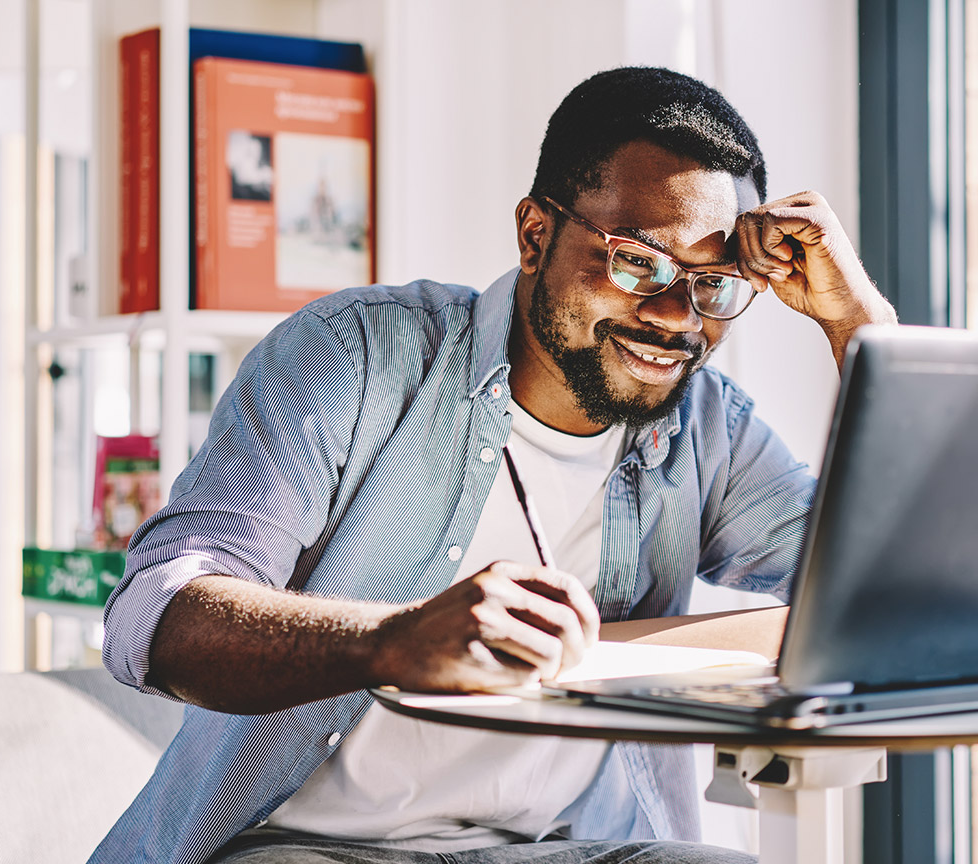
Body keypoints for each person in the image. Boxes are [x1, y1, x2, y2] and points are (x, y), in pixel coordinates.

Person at [91, 66, 897, 864]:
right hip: (299, 846)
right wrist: (393, 641)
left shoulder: (706, 427)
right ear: (535, 234)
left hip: (559, 850)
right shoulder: (357, 356)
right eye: (637, 263)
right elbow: (156, 618)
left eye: (714, 285)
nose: (674, 317)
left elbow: (897, 593)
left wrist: (857, 322)